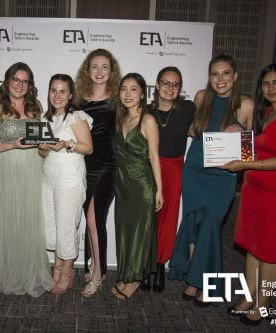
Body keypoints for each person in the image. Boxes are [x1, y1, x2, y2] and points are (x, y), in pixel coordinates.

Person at [223, 63, 276, 325]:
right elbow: (255, 148)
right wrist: (236, 138)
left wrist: (245, 164)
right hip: (254, 192)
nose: (270, 88)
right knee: (253, 246)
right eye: (266, 83)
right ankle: (249, 296)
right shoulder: (267, 112)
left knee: (270, 251)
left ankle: (263, 304)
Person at [168, 53, 254, 305]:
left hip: (223, 175)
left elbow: (248, 152)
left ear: (235, 76)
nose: (220, 79)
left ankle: (207, 283)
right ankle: (194, 281)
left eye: (226, 73)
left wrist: (239, 134)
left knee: (211, 226)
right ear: (209, 77)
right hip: (195, 168)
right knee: (194, 224)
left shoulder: (246, 105)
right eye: (215, 74)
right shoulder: (201, 97)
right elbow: (193, 131)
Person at [0, 62, 54, 297]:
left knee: (28, 221)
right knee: (6, 221)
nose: (20, 84)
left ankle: (28, 273)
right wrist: (12, 144)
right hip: (4, 171)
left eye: (25, 81)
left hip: (31, 171)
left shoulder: (36, 108)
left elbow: (42, 146)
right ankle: (8, 274)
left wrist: (45, 147)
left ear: (30, 85)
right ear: (7, 81)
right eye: (16, 79)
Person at [38, 74, 93, 295]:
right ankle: (58, 264)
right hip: (49, 177)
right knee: (52, 223)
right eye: (53, 90)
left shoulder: (76, 117)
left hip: (69, 178)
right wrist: (43, 146)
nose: (57, 95)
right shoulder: (45, 118)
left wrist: (67, 143)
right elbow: (42, 152)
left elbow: (88, 147)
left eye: (62, 91)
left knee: (67, 225)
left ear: (70, 95)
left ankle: (67, 270)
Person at [111, 73, 163, 299]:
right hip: (122, 187)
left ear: (143, 94)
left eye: (134, 89)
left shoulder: (147, 120)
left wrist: (159, 190)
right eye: (124, 89)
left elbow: (154, 156)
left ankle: (133, 280)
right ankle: (124, 274)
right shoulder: (120, 119)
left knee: (140, 235)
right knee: (125, 232)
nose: (128, 94)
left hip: (142, 186)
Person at [143, 67, 195, 293]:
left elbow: (206, 122)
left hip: (174, 168)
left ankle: (160, 265)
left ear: (180, 88)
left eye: (175, 84)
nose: (170, 88)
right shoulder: (145, 111)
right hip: (148, 168)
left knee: (168, 219)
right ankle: (146, 266)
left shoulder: (188, 109)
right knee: (147, 221)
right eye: (165, 83)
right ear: (156, 85)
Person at [75, 48, 121, 297]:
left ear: (111, 71)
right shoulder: (79, 100)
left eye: (105, 66)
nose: (100, 71)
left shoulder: (118, 99)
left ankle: (99, 273)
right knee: (89, 219)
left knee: (94, 219)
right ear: (87, 70)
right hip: (83, 166)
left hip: (107, 166)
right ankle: (91, 262)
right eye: (95, 66)